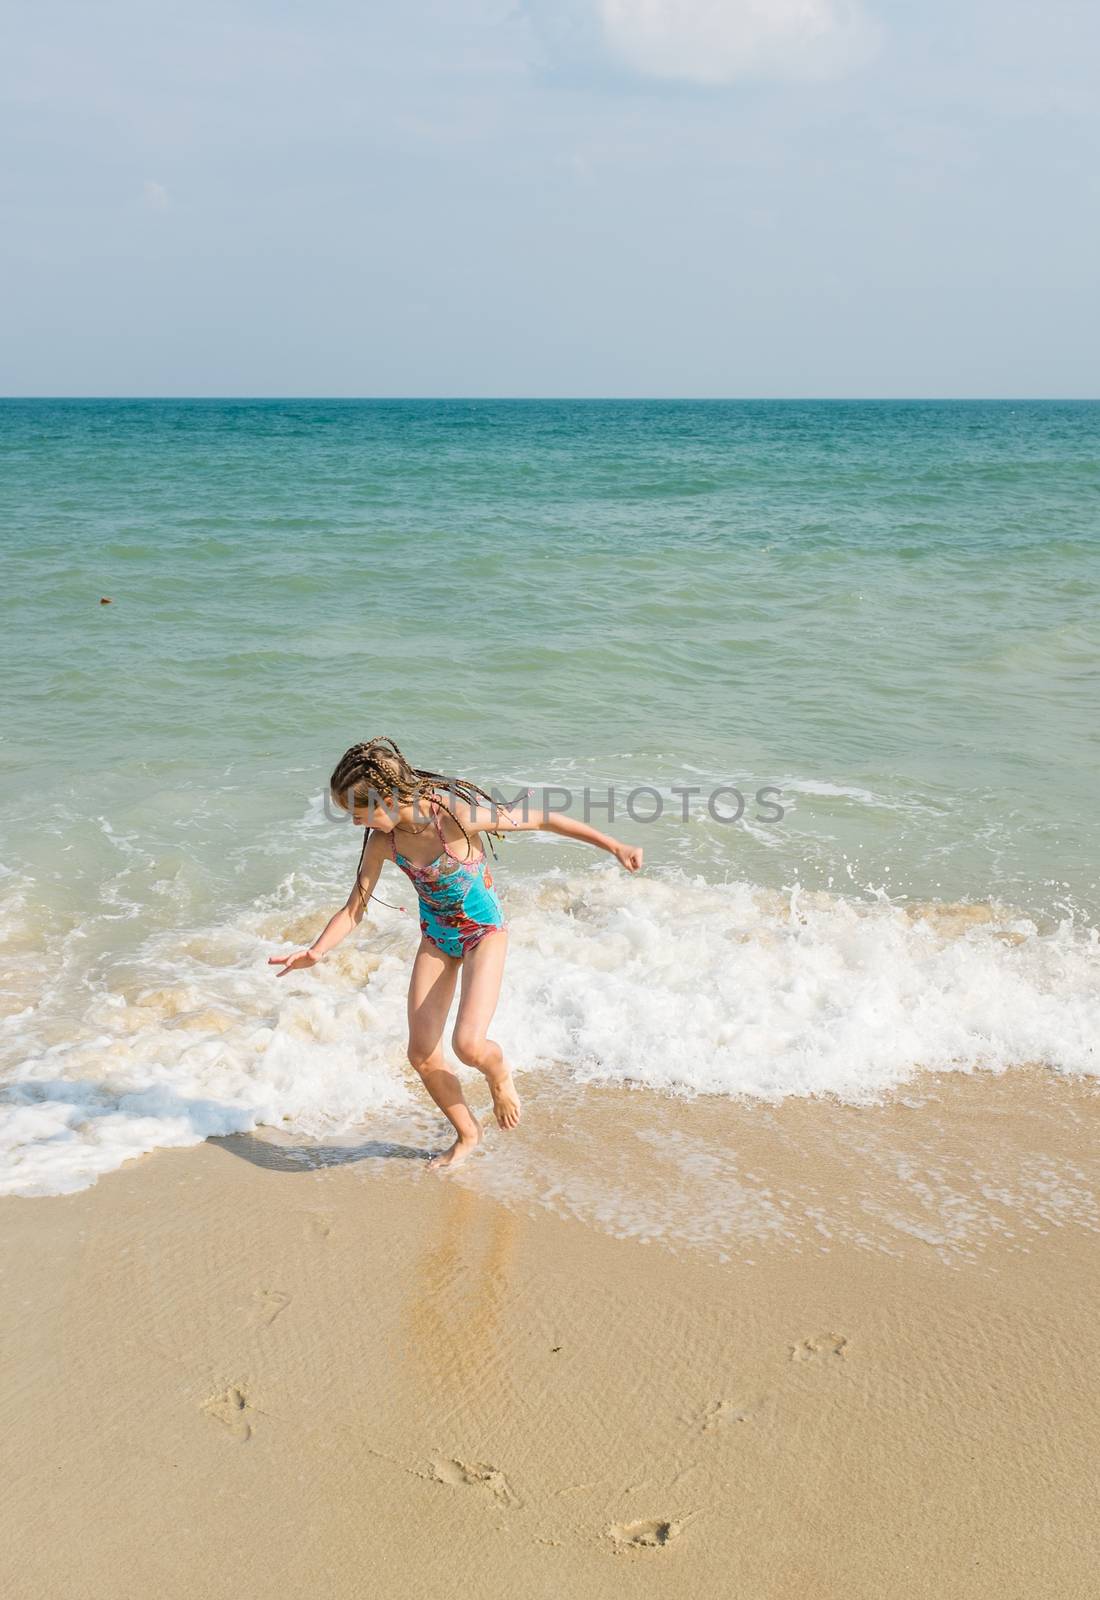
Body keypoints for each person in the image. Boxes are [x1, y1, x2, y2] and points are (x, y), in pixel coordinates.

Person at [268, 738, 644, 1169]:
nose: (356, 825)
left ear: (387, 799)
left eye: (359, 813)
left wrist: (615, 846)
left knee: (468, 1045)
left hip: (484, 933)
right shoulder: (382, 843)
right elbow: (355, 909)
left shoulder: (454, 817)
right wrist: (316, 952)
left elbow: (543, 820)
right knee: (422, 1053)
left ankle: (499, 1073)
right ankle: (468, 1132)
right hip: (437, 938)